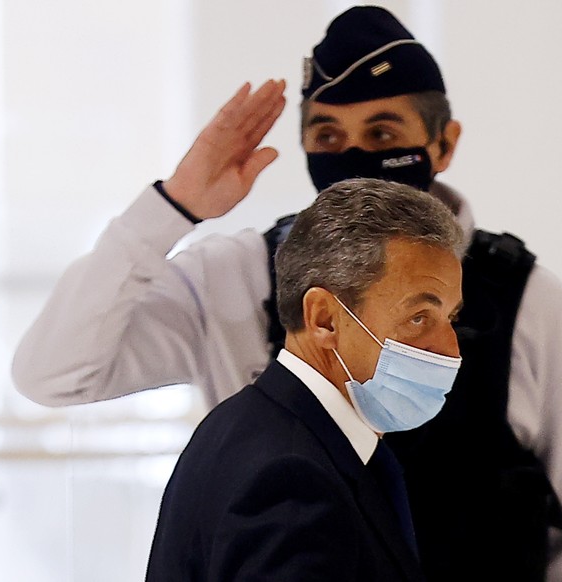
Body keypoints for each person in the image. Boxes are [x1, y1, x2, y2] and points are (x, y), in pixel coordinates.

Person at [13, 5, 562, 581]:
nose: (354, 157)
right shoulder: (238, 276)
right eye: (327, 135)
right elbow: (55, 374)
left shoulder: (529, 298)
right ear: (319, 314)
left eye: (383, 131)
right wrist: (175, 206)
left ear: (444, 142)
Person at [145, 178, 464, 581]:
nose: (451, 349)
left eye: (450, 319)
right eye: (419, 318)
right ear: (324, 319)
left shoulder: (246, 424)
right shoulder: (291, 481)